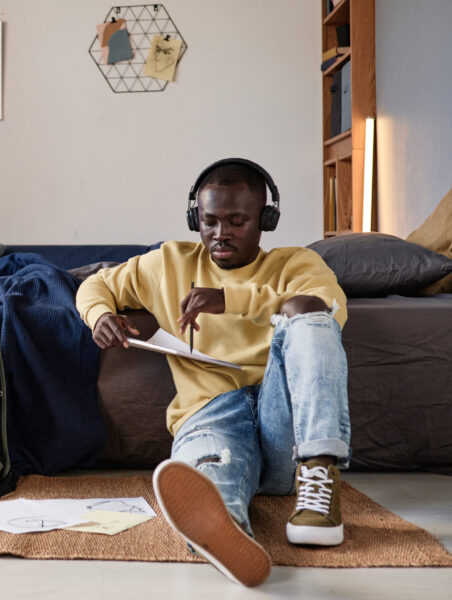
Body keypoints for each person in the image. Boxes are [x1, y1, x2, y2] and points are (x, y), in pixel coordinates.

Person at [75, 158, 350, 587]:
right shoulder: (166, 262)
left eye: (238, 221)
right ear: (194, 219)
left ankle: (318, 478)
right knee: (208, 469)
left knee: (312, 321)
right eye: (210, 221)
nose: (221, 234)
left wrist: (231, 299)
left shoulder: (297, 263)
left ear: (266, 219)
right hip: (212, 415)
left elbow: (321, 311)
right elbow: (96, 284)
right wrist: (99, 316)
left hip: (285, 431)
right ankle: (223, 528)